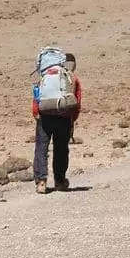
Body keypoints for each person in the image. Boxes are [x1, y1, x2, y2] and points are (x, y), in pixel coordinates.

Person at [32, 50, 82, 194]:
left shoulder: (45, 76)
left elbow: (37, 96)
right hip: (64, 117)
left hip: (44, 116)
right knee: (60, 149)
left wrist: (36, 113)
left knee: (41, 148)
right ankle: (60, 182)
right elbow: (77, 100)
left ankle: (41, 181)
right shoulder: (71, 77)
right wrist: (72, 118)